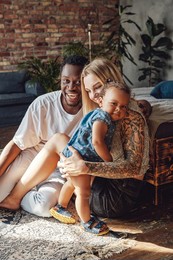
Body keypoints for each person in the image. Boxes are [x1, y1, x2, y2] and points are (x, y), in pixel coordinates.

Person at [0, 57, 150, 221]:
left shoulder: (129, 116)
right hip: (103, 185)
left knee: (59, 140)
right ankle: (25, 192)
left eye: (97, 87)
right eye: (89, 91)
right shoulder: (103, 111)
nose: (93, 96)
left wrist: (85, 167)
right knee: (63, 144)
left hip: (114, 198)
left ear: (111, 81)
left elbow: (133, 168)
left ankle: (16, 197)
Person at [0, 55, 88, 217]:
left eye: (78, 82)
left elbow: (120, 98)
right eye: (66, 81)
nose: (71, 87)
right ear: (60, 81)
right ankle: (18, 186)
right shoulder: (43, 104)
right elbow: (17, 144)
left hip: (59, 168)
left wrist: (143, 104)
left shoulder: (92, 109)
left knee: (43, 208)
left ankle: (21, 192)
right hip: (32, 156)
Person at [49, 81, 131, 235]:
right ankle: (87, 222)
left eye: (124, 106)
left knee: (72, 184)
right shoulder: (102, 117)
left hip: (78, 155)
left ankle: (60, 206)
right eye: (114, 103)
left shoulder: (103, 115)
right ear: (101, 101)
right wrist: (109, 162)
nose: (119, 109)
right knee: (83, 192)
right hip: (80, 157)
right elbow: (97, 141)